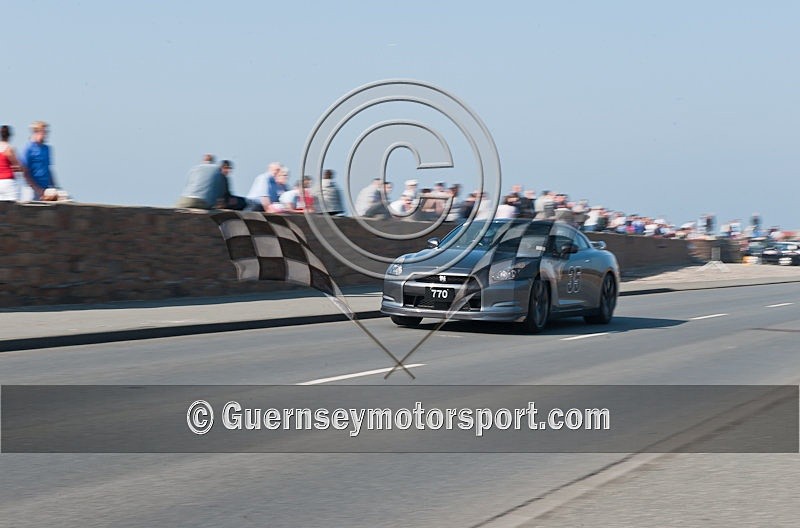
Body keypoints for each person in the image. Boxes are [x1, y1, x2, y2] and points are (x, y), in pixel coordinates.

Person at [21, 121, 56, 200]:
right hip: (31, 189)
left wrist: (54, 186)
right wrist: (36, 189)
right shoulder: (28, 148)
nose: (46, 135)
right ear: (36, 132)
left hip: (45, 189)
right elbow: (24, 171)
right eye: (44, 132)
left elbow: (48, 169)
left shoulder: (47, 149)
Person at [0, 125, 33, 201]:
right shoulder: (9, 149)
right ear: (10, 135)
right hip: (8, 182)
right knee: (13, 207)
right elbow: (19, 166)